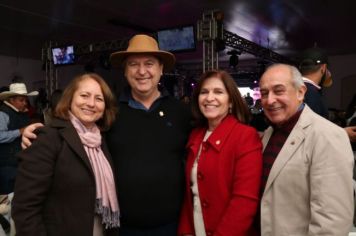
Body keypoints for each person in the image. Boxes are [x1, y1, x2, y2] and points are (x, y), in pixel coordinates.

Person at [22, 34, 192, 235]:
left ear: (161, 69)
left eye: (149, 63)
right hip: (120, 227)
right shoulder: (110, 113)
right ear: (125, 70)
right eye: (133, 64)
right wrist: (37, 131)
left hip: (171, 226)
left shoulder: (181, 112)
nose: (142, 71)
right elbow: (77, 129)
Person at [12, 73, 120, 235]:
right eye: (84, 95)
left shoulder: (100, 140)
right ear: (70, 99)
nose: (91, 103)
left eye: (99, 99)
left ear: (105, 107)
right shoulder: (49, 138)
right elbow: (25, 208)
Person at [259, 63, 354, 235]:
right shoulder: (270, 133)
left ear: (301, 92)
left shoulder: (328, 136)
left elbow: (332, 222)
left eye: (279, 91)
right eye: (264, 93)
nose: (270, 100)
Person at [178, 70, 262, 236]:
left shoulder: (245, 136)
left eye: (218, 92)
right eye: (204, 92)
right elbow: (189, 193)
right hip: (196, 226)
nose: (209, 98)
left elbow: (244, 203)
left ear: (231, 101)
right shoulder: (195, 134)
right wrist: (186, 231)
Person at [299, 47, 356, 144]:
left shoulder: (296, 89)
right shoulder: (312, 94)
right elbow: (310, 134)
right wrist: (343, 133)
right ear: (323, 68)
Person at [0, 83, 38, 194]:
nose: (25, 103)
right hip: (7, 165)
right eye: (21, 100)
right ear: (12, 100)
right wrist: (20, 131)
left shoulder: (22, 113)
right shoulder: (2, 114)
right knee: (9, 196)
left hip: (20, 161)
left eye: (25, 100)